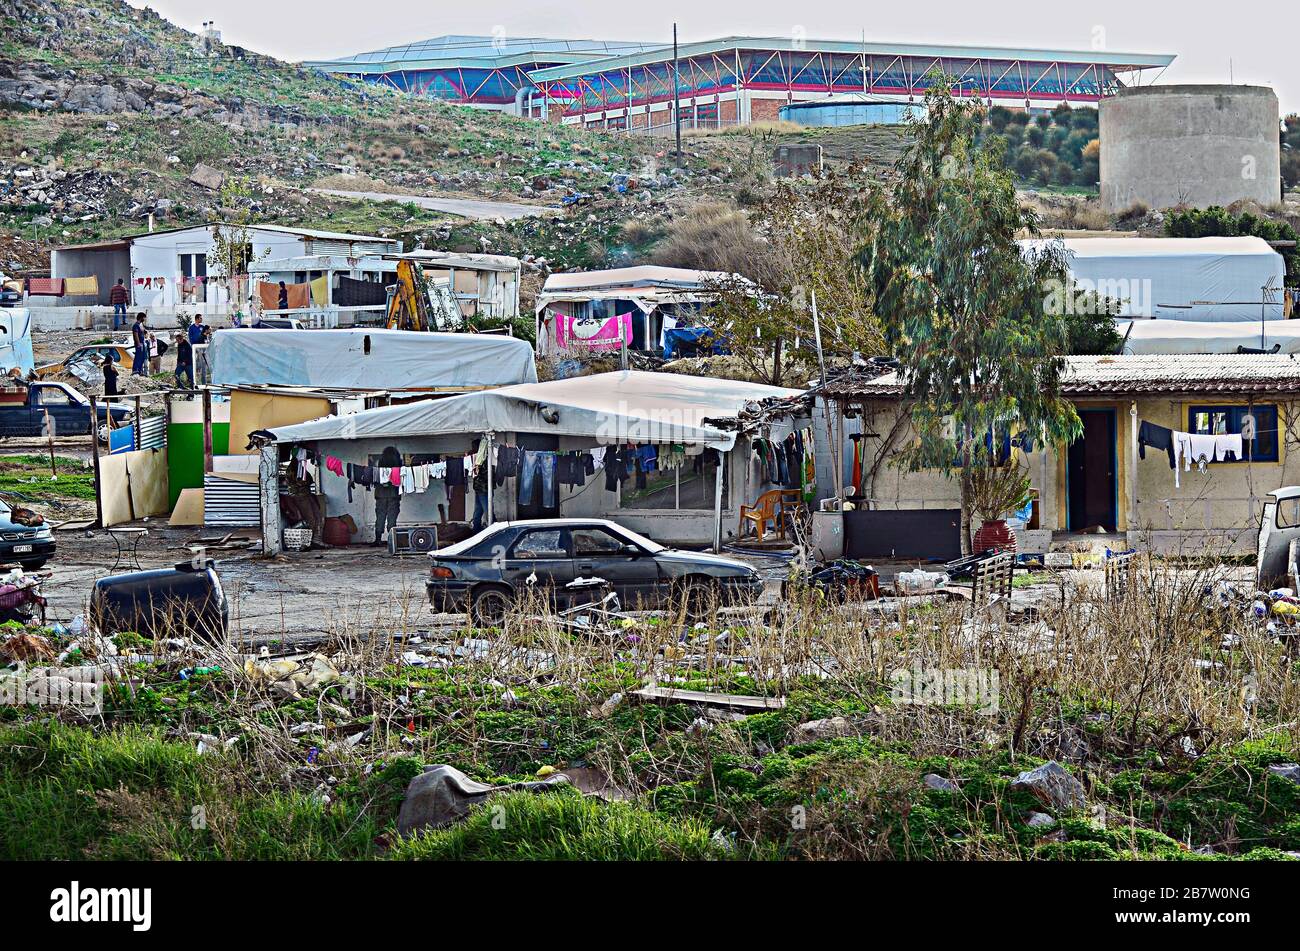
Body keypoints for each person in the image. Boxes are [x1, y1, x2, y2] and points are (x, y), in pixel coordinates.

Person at [373, 445, 402, 547]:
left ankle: (378, 539)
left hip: (380, 494)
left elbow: (376, 479)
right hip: (394, 494)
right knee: (392, 518)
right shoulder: (398, 465)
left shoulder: (380, 463)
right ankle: (392, 541)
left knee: (380, 516)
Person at [471, 439, 490, 531]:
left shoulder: (484, 459)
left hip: (484, 488)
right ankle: (476, 530)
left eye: (474, 447)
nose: (473, 449)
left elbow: (485, 473)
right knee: (478, 510)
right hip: (479, 488)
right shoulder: (478, 458)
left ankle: (496, 529)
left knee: (488, 511)